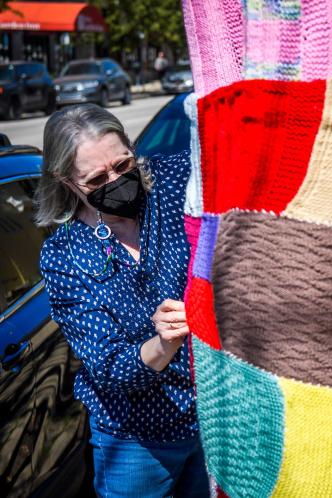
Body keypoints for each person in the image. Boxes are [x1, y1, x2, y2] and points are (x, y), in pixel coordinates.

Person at [35, 104, 209, 498]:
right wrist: (162, 344)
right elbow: (108, 366)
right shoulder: (64, 255)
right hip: (136, 443)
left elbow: (228, 153)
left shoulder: (170, 182)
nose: (116, 180)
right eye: (97, 179)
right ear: (66, 181)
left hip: (210, 418)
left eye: (123, 164)